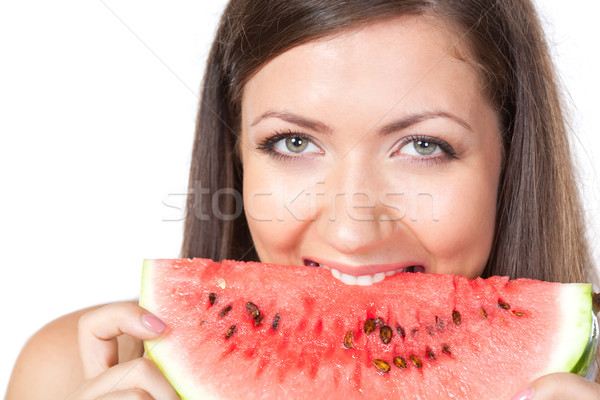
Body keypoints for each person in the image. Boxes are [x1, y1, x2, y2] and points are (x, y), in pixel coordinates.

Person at [6, 0, 600, 399]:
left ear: (511, 159)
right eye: (294, 142)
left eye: (423, 145)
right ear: (236, 152)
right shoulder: (81, 372)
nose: (351, 231)